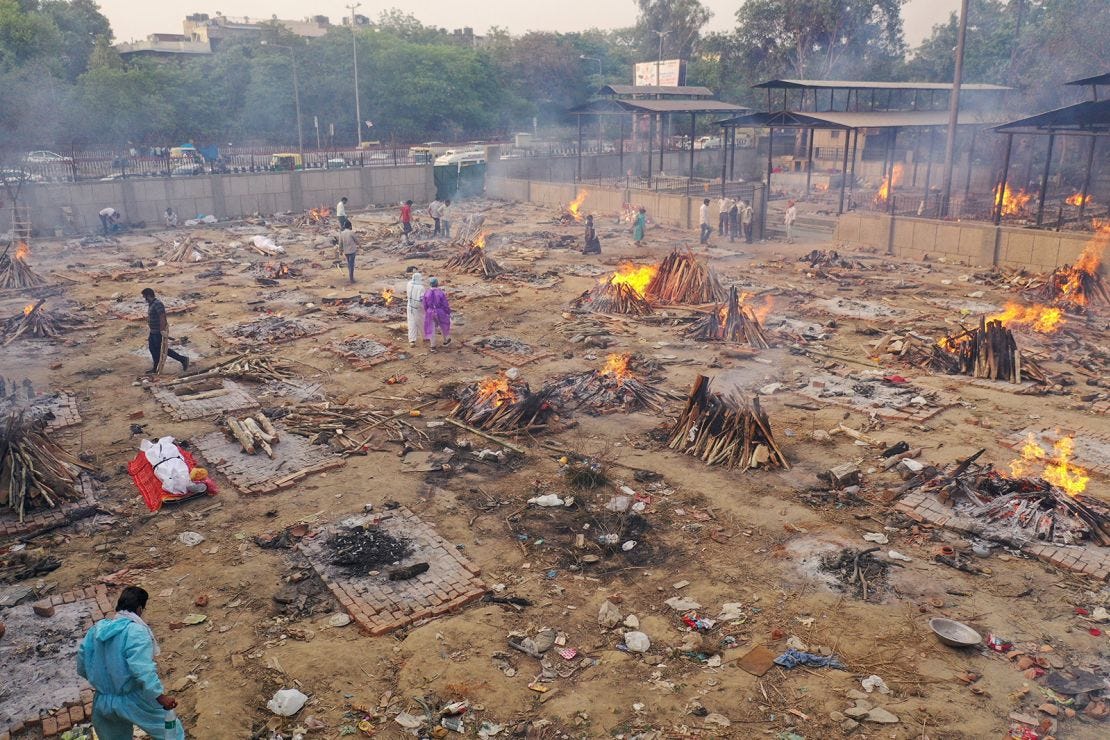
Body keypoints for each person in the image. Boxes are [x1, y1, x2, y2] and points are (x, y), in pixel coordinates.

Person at [77, 586, 184, 740]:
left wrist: (103, 684)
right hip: (132, 699)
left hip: (103, 701)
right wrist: (160, 697)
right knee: (172, 733)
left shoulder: (96, 630)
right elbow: (142, 670)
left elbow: (82, 663)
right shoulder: (136, 632)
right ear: (140, 609)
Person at [141, 288, 189, 375]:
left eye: (144, 296)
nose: (144, 298)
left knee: (162, 350)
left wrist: (162, 330)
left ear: (148, 295)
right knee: (153, 349)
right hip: (153, 331)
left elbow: (162, 317)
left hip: (158, 332)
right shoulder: (151, 304)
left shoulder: (157, 304)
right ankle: (155, 368)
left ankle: (183, 359)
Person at [422, 277, 452, 352]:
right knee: (443, 325)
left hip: (430, 311)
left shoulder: (427, 292)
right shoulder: (440, 292)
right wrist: (447, 311)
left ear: (430, 284)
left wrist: (427, 311)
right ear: (437, 284)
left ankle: (433, 346)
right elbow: (445, 304)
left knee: (431, 328)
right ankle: (446, 341)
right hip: (440, 311)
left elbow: (424, 304)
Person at [406, 270, 426, 347]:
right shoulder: (421, 288)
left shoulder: (409, 284)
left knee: (411, 323)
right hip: (418, 308)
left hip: (410, 306)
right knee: (421, 322)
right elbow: (422, 299)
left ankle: (412, 340)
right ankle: (425, 337)